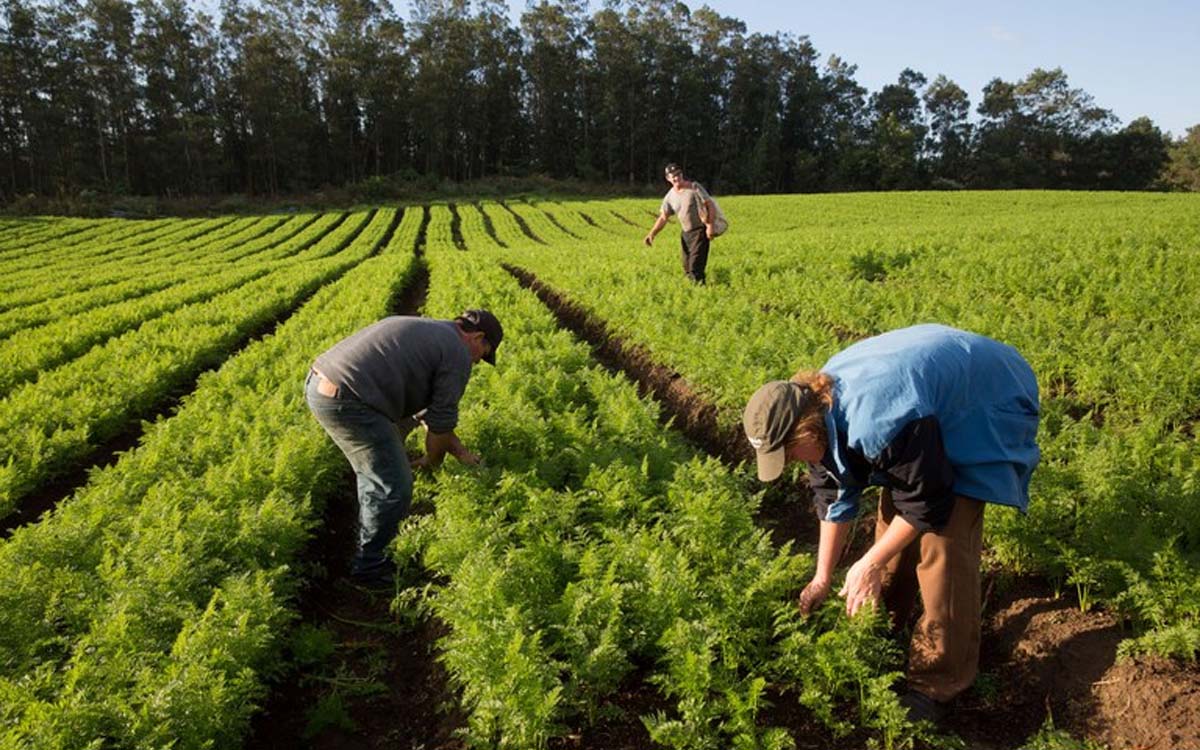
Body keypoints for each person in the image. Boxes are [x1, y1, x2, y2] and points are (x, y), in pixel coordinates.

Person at [742, 323, 1040, 722]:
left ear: (805, 428)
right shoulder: (819, 413)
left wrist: (869, 563)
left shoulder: (879, 419)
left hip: (985, 398)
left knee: (942, 540)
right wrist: (822, 577)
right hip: (924, 405)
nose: (792, 463)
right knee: (890, 525)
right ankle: (889, 630)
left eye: (790, 453)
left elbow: (926, 500)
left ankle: (938, 681)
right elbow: (832, 495)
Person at [306, 309, 504, 584]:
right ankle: (370, 567)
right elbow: (441, 424)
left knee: (388, 451)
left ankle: (372, 505)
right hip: (351, 401)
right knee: (393, 485)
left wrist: (460, 453)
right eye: (485, 353)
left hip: (322, 383)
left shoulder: (433, 332)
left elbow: (428, 412)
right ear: (478, 337)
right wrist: (433, 462)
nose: (480, 361)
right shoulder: (457, 353)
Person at [643, 163, 719, 284]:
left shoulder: (694, 188)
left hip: (699, 231)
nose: (676, 178)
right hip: (685, 235)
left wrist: (710, 227)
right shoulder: (670, 197)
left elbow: (710, 205)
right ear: (668, 179)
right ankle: (694, 292)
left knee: (695, 268)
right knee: (687, 269)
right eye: (673, 176)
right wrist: (652, 234)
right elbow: (663, 217)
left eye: (678, 174)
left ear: (682, 174)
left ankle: (700, 293)